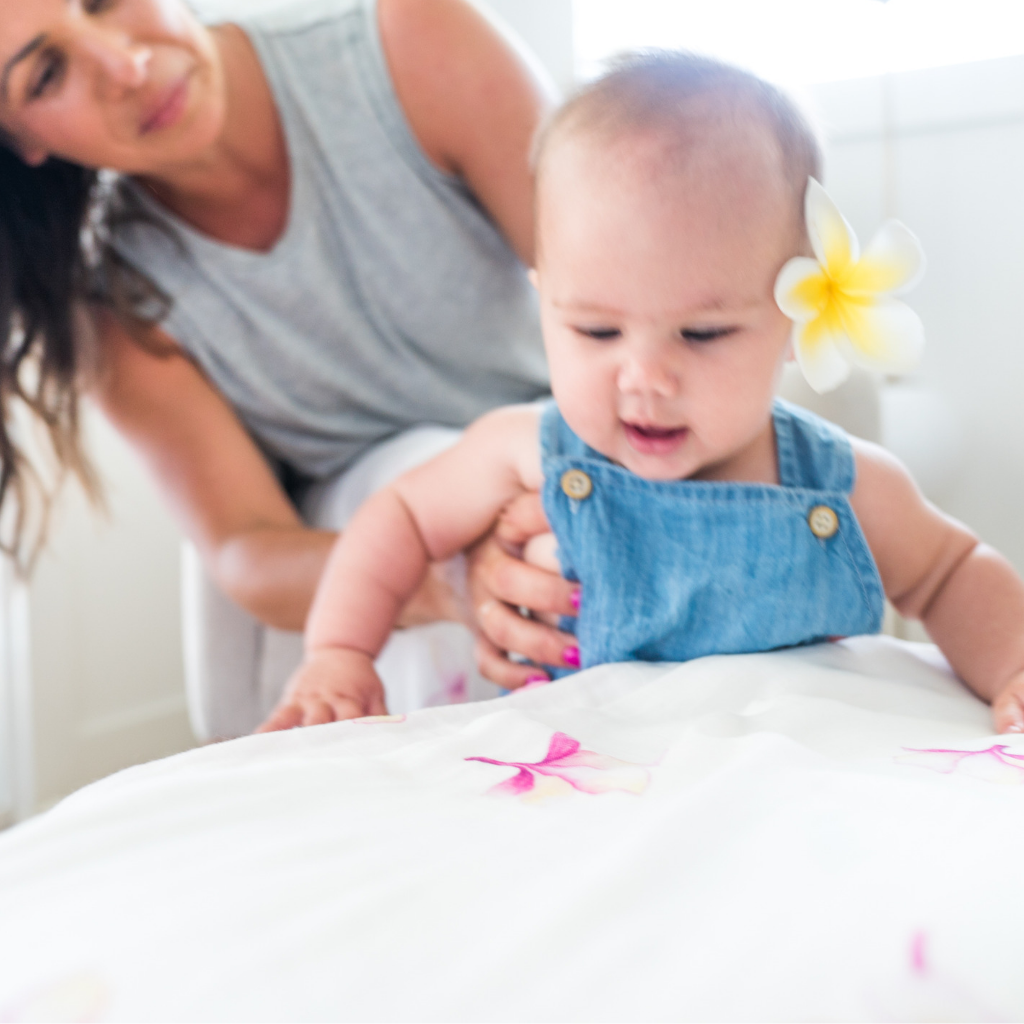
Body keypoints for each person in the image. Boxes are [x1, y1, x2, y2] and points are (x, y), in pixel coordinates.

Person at [271, 50, 1024, 734]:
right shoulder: (523, 452)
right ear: (546, 308)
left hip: (792, 777)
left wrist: (1013, 668)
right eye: (597, 332)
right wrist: (339, 652)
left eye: (701, 335)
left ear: (792, 320)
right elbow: (399, 517)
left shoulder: (843, 486)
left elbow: (952, 572)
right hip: (587, 783)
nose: (645, 378)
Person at [0, 0, 581, 731]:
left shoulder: (413, 44)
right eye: (48, 74)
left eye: (104, 0)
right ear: (20, 141)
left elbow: (621, 301)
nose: (125, 66)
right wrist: (445, 577)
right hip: (378, 551)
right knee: (419, 471)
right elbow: (244, 545)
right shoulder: (112, 299)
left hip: (562, 466)